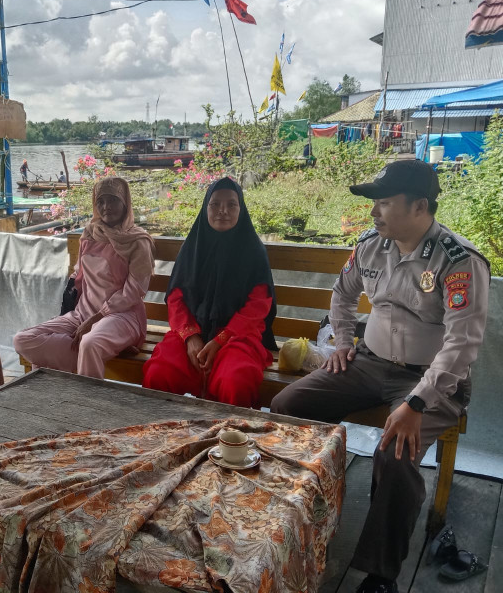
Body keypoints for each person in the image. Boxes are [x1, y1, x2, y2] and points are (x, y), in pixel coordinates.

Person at [270, 160, 490, 593]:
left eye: (384, 203)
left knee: (395, 453)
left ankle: (381, 573)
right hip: (369, 362)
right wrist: (343, 343)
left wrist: (417, 404)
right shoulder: (372, 245)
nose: (374, 212)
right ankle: (300, 513)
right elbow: (343, 294)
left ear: (419, 206)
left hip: (431, 381)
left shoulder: (458, 260)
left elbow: (463, 344)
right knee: (287, 407)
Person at [142, 177, 277, 407]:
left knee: (236, 379)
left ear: (241, 208)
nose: (222, 211)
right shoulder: (193, 247)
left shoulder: (253, 251)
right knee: (160, 372)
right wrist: (190, 337)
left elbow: (258, 305)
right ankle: (164, 437)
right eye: (215, 204)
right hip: (190, 334)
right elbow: (176, 297)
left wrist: (219, 340)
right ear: (206, 207)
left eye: (231, 204)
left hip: (238, 336)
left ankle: (230, 440)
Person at [14, 176, 155, 379]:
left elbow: (134, 292)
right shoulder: (90, 234)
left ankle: (87, 405)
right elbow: (78, 274)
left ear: (125, 202)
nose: (106, 206)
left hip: (122, 316)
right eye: (100, 201)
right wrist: (76, 313)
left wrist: (96, 319)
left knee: (90, 343)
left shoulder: (138, 241)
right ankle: (89, 363)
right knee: (23, 339)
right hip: (82, 312)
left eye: (113, 200)